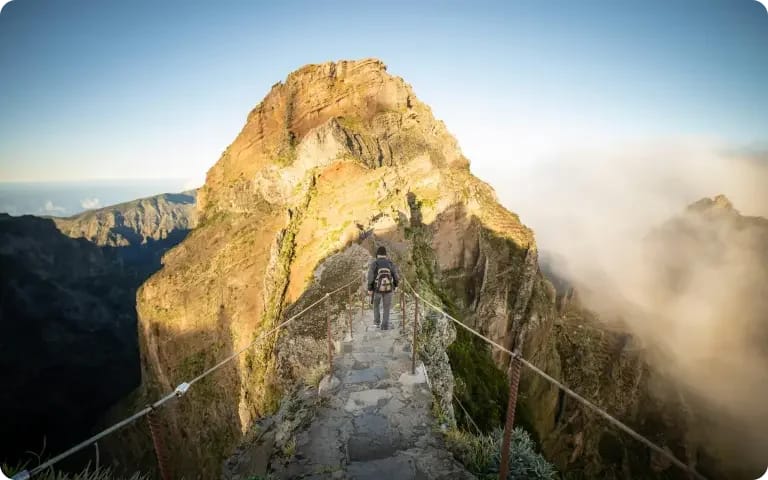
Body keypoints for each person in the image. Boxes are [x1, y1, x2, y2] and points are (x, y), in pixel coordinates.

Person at [367, 246, 399, 330]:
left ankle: (377, 322)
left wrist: (369, 289)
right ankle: (384, 325)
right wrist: (396, 286)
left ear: (377, 254)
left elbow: (370, 277)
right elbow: (396, 276)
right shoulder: (390, 263)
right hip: (388, 289)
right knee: (386, 307)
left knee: (376, 305)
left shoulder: (374, 263)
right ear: (385, 254)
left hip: (377, 289)